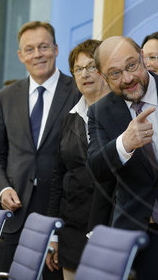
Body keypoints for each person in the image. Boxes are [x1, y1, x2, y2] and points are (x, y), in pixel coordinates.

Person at [87, 36, 158, 280]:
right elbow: (96, 167)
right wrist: (124, 144)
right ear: (102, 76)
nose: (128, 79)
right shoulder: (100, 112)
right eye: (116, 73)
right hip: (137, 240)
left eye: (132, 66)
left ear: (142, 56)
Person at [0, 21, 78, 279]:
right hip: (14, 215)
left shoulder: (77, 92)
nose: (37, 54)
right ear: (20, 55)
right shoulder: (6, 96)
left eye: (43, 47)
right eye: (29, 49)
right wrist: (2, 189)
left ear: (56, 49)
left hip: (58, 215)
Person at [45, 39, 110, 280]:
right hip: (72, 230)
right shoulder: (68, 119)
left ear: (104, 68)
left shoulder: (123, 114)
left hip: (109, 230)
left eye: (91, 66)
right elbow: (57, 179)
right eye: (78, 69)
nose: (85, 74)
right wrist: (53, 234)